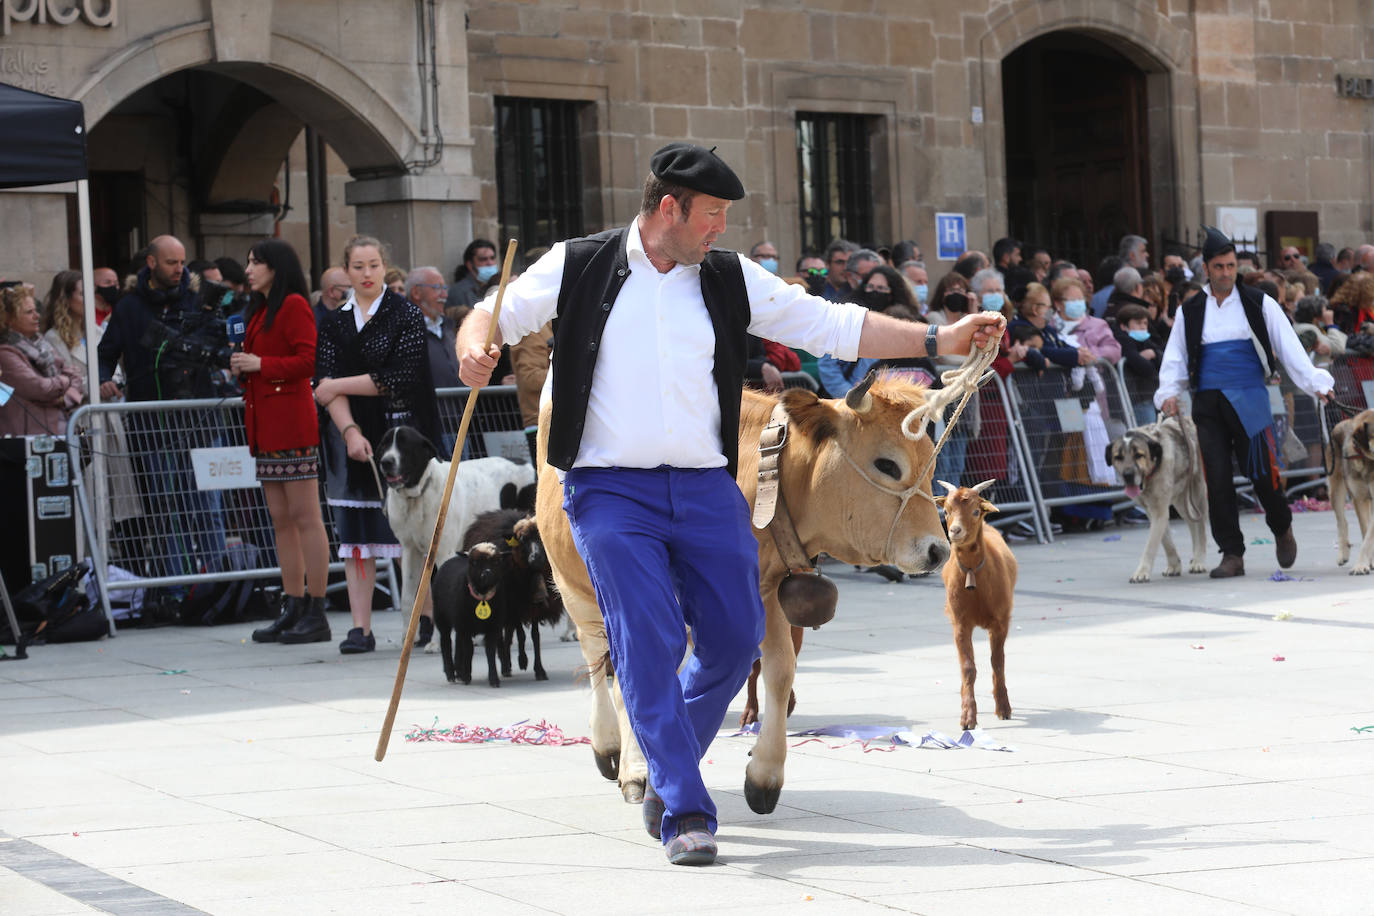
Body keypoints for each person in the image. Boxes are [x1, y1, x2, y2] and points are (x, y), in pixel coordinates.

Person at [456, 142, 1001, 866]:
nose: (719, 229)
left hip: (704, 484)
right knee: (646, 638)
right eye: (711, 215)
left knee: (737, 635)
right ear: (669, 208)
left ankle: (665, 750)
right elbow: (491, 315)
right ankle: (684, 806)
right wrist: (472, 345)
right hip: (609, 489)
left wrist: (937, 336)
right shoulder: (578, 263)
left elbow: (831, 325)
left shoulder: (726, 277)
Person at [1155, 226, 1334, 578]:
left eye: (1231, 265)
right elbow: (1175, 356)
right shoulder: (1190, 310)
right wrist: (1168, 393)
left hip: (1250, 403)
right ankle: (1232, 554)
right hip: (1207, 405)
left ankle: (1282, 527)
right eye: (1219, 266)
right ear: (1206, 268)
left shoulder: (1259, 302)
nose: (1225, 273)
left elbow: (1289, 349)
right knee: (1217, 481)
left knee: (1264, 477)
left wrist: (1316, 382)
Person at [316, 235, 440, 654]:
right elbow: (324, 388)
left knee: (417, 535)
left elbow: (400, 376)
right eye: (358, 266)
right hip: (352, 433)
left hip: (405, 431)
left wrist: (334, 384)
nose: (367, 274)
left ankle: (425, 618)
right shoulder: (333, 321)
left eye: (373, 265)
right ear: (346, 271)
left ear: (383, 266)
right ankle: (360, 628)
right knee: (358, 537)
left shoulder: (404, 313)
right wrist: (349, 431)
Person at [232, 239, 333, 645]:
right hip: (267, 427)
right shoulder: (259, 310)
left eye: (257, 262)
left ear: (277, 266)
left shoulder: (292, 304)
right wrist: (244, 366)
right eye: (249, 261)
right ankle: (292, 604)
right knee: (281, 520)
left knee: (306, 517)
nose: (249, 268)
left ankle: (317, 608)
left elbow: (309, 360)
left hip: (291, 425)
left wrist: (261, 365)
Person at [0, 287, 84, 436]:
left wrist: (64, 399)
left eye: (36, 310)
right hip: (29, 439)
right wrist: (64, 381)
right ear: (9, 319)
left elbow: (76, 376)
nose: (37, 316)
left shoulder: (42, 344)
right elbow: (41, 389)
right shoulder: (5, 353)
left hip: (61, 431)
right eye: (28, 312)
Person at [405, 266, 460, 389]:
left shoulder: (448, 328)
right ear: (416, 293)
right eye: (437, 288)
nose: (444, 295)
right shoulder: (405, 333)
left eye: (445, 288)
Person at [40, 270, 91, 397]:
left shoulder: (96, 331)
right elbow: (68, 380)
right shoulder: (53, 338)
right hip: (81, 411)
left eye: (91, 292)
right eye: (83, 294)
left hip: (110, 411)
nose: (89, 299)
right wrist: (100, 385)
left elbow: (115, 370)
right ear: (66, 299)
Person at [1112, 303, 1163, 424]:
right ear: (1124, 326)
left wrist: (1154, 353)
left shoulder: (1146, 341)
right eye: (1138, 323)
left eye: (1145, 323)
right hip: (1137, 399)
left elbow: (1164, 358)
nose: (1142, 327)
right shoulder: (1123, 340)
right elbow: (1146, 369)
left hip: (1149, 396)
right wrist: (1152, 363)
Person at [448, 239, 499, 307]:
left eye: (492, 258)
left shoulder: (501, 286)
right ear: (470, 265)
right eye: (483, 259)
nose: (490, 263)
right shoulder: (459, 292)